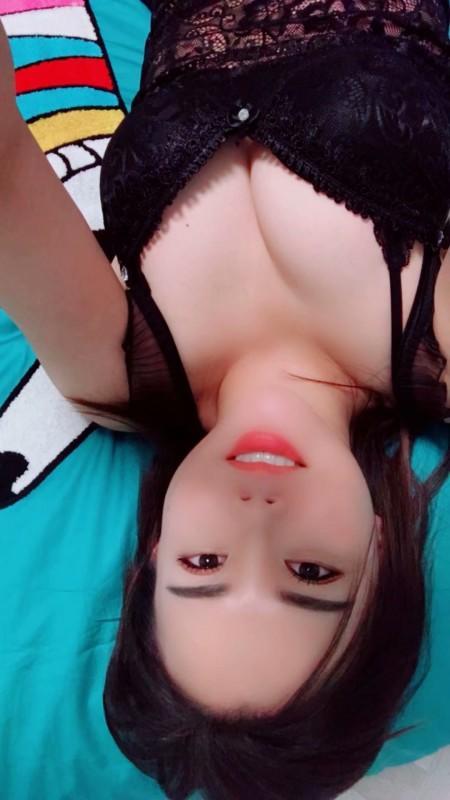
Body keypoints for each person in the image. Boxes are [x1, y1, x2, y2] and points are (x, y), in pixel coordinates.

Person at [1, 2, 450, 797]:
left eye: (204, 563)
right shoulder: (434, 350)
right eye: (310, 571)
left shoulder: (113, 370)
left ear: (151, 554)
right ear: (381, 555)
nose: (257, 515)